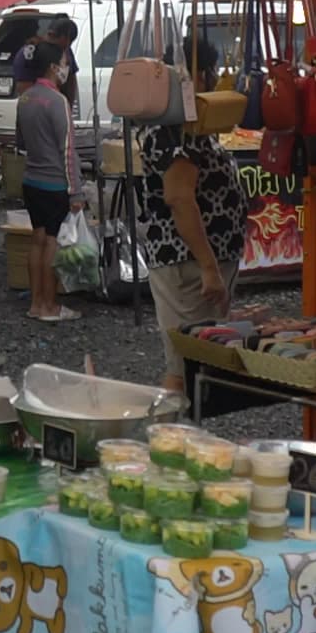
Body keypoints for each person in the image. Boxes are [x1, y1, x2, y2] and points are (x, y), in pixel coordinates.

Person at [136, 35, 249, 392]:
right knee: (184, 363)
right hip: (186, 262)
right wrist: (209, 267)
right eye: (212, 70)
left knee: (197, 362)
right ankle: (167, 439)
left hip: (193, 261)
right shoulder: (176, 129)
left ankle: (186, 438)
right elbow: (179, 198)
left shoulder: (185, 122)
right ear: (194, 75)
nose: (216, 78)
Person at [15, 41, 85, 323]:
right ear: (55, 67)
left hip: (31, 180)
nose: (67, 68)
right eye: (65, 62)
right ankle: (50, 305)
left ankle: (35, 304)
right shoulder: (58, 101)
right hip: (55, 183)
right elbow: (67, 149)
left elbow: (20, 141)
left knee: (37, 240)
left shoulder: (25, 98)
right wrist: (76, 190)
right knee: (52, 243)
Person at [13, 17, 81, 101]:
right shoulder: (27, 54)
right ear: (64, 38)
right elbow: (24, 91)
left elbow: (71, 79)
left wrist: (68, 105)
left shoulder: (66, 51)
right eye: (68, 42)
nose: (67, 46)